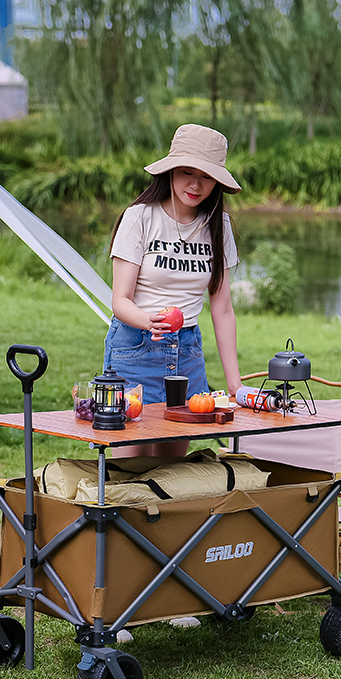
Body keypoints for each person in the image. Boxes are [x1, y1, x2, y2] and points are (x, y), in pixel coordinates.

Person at [103, 123, 243, 457]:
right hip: (135, 347)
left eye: (206, 177)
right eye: (186, 172)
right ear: (169, 172)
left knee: (171, 470)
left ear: (217, 182)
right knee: (129, 465)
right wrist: (149, 321)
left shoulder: (218, 226)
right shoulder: (139, 217)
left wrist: (235, 384)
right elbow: (120, 301)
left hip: (188, 354)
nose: (195, 185)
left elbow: (222, 308)